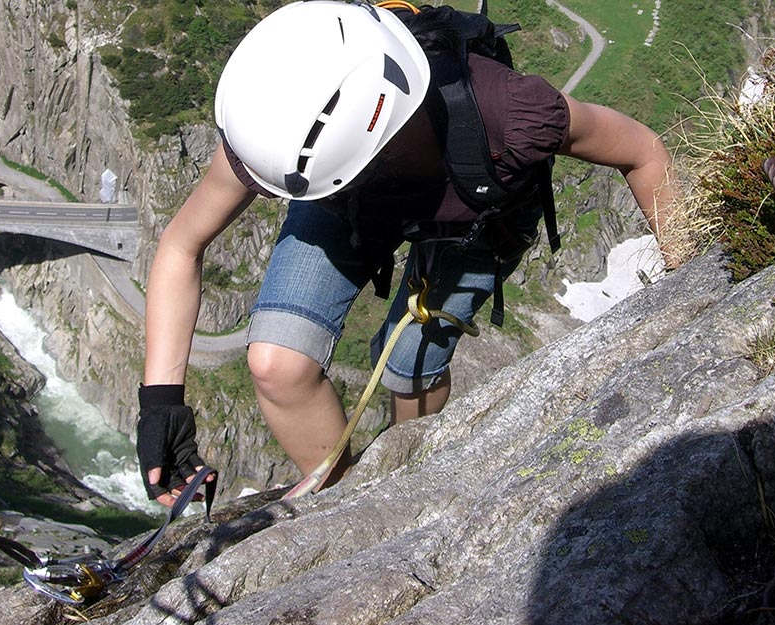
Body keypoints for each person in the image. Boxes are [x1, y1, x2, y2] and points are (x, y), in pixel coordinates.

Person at [135, 0, 678, 506]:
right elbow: (182, 246)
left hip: (476, 210)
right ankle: (343, 506)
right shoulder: (276, 136)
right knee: (278, 365)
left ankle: (404, 478)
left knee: (406, 370)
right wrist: (160, 404)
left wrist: (696, 268)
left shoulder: (506, 111)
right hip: (348, 194)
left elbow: (641, 151)